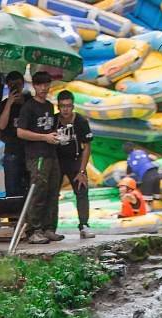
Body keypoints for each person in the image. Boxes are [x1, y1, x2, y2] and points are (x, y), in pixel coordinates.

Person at [16, 70, 63, 244]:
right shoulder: (29, 107)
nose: (44, 88)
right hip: (37, 156)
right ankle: (33, 230)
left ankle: (49, 228)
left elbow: (49, 129)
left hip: (52, 153)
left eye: (46, 84)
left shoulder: (50, 106)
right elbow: (20, 132)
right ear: (34, 86)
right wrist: (44, 137)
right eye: (40, 85)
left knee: (53, 191)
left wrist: (56, 136)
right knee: (38, 192)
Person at [55, 90, 94, 240]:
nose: (66, 109)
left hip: (75, 160)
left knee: (82, 190)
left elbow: (87, 147)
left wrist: (82, 170)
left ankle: (84, 225)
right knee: (52, 195)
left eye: (69, 106)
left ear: (73, 106)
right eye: (63, 106)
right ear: (58, 107)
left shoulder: (81, 121)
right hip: (57, 161)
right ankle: (50, 228)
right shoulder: (53, 120)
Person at [0, 71, 30, 197]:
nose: (15, 88)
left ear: (23, 85)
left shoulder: (30, 101)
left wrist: (23, 102)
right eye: (12, 85)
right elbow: (2, 125)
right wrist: (9, 103)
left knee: (30, 190)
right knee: (12, 190)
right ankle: (14, 216)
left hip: (29, 151)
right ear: (7, 86)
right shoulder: (3, 105)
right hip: (12, 151)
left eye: (18, 85)